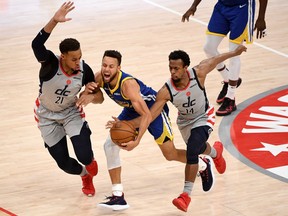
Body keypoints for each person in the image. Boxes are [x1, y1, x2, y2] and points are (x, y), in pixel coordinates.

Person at [77, 50, 214, 211]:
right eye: (104, 65)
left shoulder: (128, 85)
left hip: (153, 111)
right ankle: (118, 195)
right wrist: (90, 94)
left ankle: (203, 163)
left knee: (170, 154)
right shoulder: (100, 77)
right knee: (110, 145)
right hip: (131, 110)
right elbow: (99, 99)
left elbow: (147, 115)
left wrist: (137, 140)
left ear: (119, 68)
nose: (107, 69)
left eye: (111, 66)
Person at [130, 45, 246, 212]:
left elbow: (215, 60)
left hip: (204, 116)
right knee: (196, 146)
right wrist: (133, 127)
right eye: (170, 68)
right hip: (185, 122)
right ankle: (215, 153)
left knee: (192, 149)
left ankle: (185, 196)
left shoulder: (198, 73)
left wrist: (234, 53)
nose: (173, 72)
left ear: (185, 68)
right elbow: (151, 115)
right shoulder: (166, 90)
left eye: (176, 68)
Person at [32, 1, 104, 197]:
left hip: (71, 112)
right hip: (46, 115)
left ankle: (88, 163)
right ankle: (84, 175)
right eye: (73, 58)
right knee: (64, 163)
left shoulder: (84, 69)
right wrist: (54, 20)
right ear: (62, 56)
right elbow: (36, 44)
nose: (77, 62)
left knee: (85, 155)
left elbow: (100, 98)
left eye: (80, 57)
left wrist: (91, 96)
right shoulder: (49, 63)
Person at [182, 0, 267, 116]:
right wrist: (194, 6)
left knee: (234, 53)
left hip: (241, 9)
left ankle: (230, 97)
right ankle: (228, 78)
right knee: (209, 48)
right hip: (222, 7)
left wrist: (261, 18)